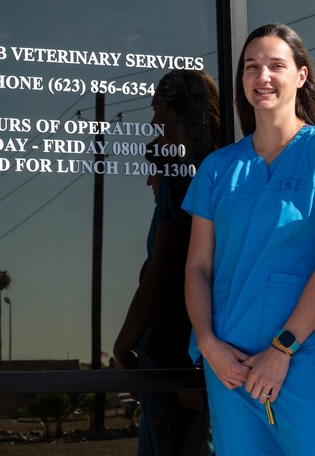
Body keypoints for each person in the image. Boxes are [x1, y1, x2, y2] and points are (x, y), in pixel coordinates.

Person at [182, 23, 315, 455]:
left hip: (305, 356)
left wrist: (283, 348)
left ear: (301, 75)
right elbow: (197, 267)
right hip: (230, 364)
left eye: (276, 65)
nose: (262, 76)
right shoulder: (217, 168)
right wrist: (208, 344)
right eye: (251, 66)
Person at [113, 69, 219, 455]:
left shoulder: (182, 182)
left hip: (173, 356)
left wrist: (122, 348)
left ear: (183, 112)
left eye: (159, 110)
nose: (155, 122)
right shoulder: (213, 176)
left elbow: (159, 276)